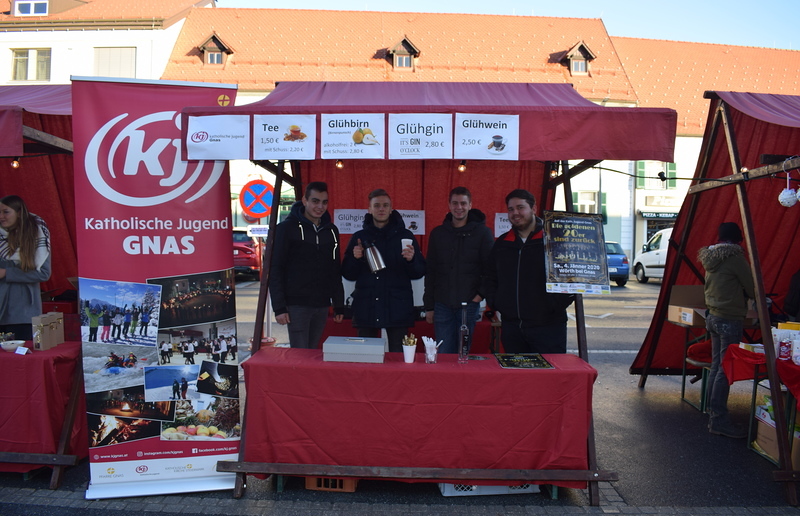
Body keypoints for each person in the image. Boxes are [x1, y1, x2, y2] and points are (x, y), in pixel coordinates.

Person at [484, 189, 574, 354]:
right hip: (512, 327)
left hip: (548, 327)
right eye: (511, 209)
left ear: (533, 209)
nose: (515, 213)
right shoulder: (503, 243)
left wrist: (552, 306)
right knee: (515, 371)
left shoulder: (554, 240)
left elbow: (570, 276)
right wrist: (496, 302)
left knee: (549, 371)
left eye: (520, 207)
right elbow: (490, 276)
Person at [342, 189, 426, 352]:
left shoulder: (406, 236)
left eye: (385, 205)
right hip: (367, 307)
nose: (381, 209)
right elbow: (348, 274)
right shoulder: (359, 237)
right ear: (369, 209)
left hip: (398, 308)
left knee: (399, 358)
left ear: (391, 208)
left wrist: (412, 261)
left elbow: (419, 272)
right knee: (367, 358)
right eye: (377, 205)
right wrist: (355, 259)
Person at [270, 182, 346, 348]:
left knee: (312, 354)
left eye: (324, 202)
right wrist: (279, 307)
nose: (320, 206)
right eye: (315, 201)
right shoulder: (286, 229)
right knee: (300, 355)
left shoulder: (331, 231)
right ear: (304, 200)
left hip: (322, 304)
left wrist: (339, 305)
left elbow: (334, 270)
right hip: (296, 305)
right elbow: (275, 268)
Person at [698, 222, 755, 439]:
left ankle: (712, 412)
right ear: (738, 239)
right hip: (730, 318)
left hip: (713, 315)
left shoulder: (710, 259)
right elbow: (752, 287)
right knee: (724, 368)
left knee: (716, 366)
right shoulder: (735, 258)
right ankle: (719, 420)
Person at [423, 187, 494, 353]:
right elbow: (431, 271)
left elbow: (491, 268)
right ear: (449, 205)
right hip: (442, 305)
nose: (459, 207)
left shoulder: (483, 233)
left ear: (470, 205)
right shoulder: (437, 234)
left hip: (469, 305)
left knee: (463, 353)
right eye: (455, 203)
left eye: (463, 203)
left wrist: (479, 295)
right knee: (443, 353)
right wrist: (429, 306)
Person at [0, 195, 51, 341]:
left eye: (6, 212)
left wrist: (7, 273)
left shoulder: (37, 236)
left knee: (21, 353)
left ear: (19, 213)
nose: (1, 216)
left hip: (23, 314)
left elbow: (43, 273)